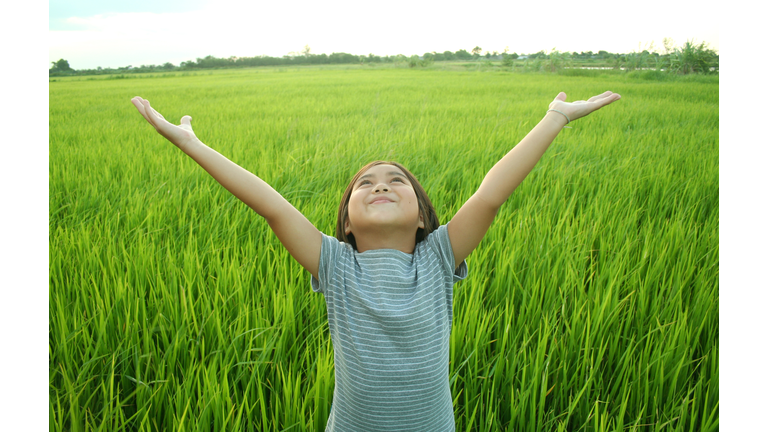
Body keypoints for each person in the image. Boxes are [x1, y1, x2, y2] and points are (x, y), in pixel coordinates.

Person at [131, 90, 620, 431]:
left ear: (423, 218)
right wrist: (190, 144)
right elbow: (272, 206)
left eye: (395, 180)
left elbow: (491, 194)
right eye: (364, 184)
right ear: (346, 223)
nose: (380, 185)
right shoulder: (336, 265)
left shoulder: (437, 258)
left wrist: (554, 116)